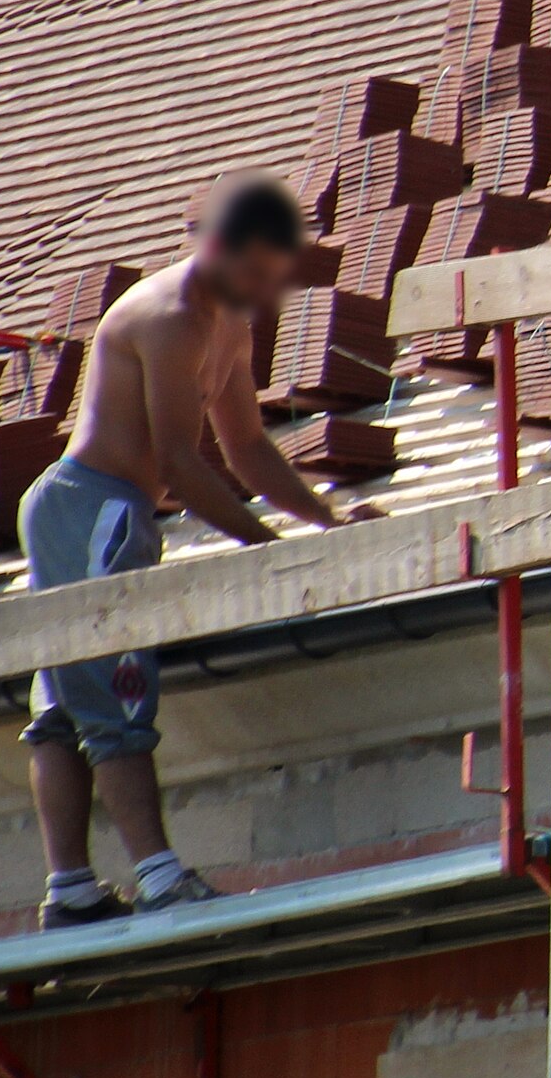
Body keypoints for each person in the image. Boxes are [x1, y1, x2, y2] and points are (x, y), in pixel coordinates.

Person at [20, 173, 379, 927]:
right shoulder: (171, 316)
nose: (263, 285)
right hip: (89, 508)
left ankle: (73, 891)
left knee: (65, 703)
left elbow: (246, 447)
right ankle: (156, 875)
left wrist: (323, 519)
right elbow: (181, 461)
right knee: (110, 690)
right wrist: (263, 545)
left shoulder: (229, 323)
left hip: (108, 514)